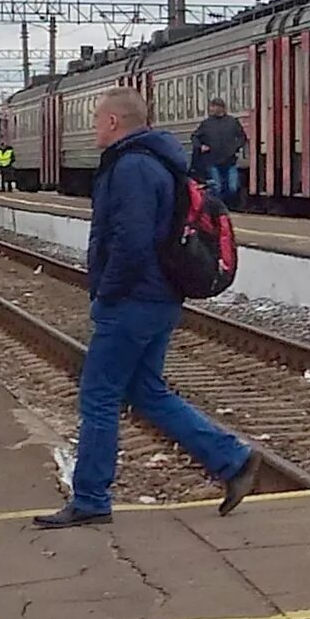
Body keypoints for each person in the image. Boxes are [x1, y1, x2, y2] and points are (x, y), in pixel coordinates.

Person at [35, 87, 270, 527]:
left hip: (134, 299)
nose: (92, 128)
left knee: (99, 394)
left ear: (112, 122)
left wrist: (107, 290)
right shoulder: (153, 161)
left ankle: (90, 498)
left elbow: (132, 239)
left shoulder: (132, 168)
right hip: (156, 295)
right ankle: (233, 461)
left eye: (96, 120)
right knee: (145, 390)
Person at [190, 98, 249, 208]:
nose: (211, 109)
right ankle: (219, 208)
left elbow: (242, 137)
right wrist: (200, 146)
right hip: (212, 161)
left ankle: (224, 205)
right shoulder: (207, 124)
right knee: (216, 187)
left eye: (213, 106)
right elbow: (194, 137)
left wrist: (235, 148)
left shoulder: (232, 122)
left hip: (230, 160)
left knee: (233, 187)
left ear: (221, 107)